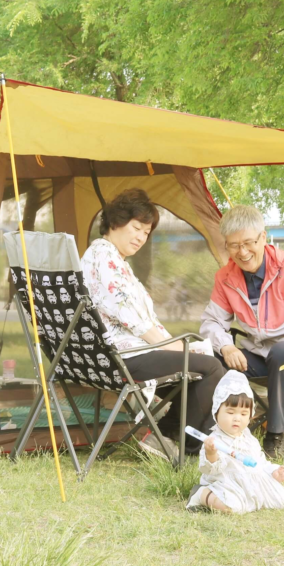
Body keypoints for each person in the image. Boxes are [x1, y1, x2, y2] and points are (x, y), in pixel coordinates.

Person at [80, 188, 226, 459]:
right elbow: (135, 322)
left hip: (114, 355)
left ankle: (174, 438)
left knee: (202, 363)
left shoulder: (109, 258)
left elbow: (143, 320)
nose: (140, 237)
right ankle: (178, 443)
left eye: (146, 233)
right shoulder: (105, 258)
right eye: (136, 228)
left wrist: (180, 347)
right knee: (212, 367)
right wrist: (175, 349)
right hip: (122, 357)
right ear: (115, 223)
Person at [200, 205, 284, 460]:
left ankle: (275, 437)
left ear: (263, 237)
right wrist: (226, 347)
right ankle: (211, 434)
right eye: (234, 245)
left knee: (282, 352)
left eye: (249, 242)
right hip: (261, 357)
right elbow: (211, 321)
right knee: (210, 359)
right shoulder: (225, 277)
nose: (242, 252)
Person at [186, 370, 284, 513]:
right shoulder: (215, 440)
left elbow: (259, 464)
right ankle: (202, 494)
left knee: (282, 499)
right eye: (230, 412)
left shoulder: (249, 439)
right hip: (226, 485)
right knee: (232, 507)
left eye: (243, 414)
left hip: (250, 483)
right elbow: (209, 470)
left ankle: (247, 500)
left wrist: (274, 472)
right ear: (216, 412)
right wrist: (211, 454)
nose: (237, 418)